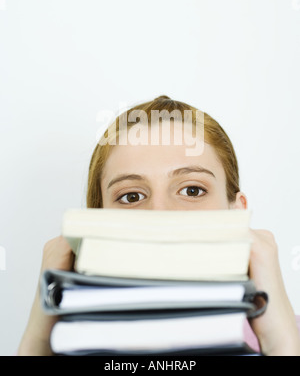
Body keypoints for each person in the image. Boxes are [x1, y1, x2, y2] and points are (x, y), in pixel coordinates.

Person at [17, 95, 300, 356]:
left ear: (238, 212)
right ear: (94, 223)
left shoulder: (290, 335)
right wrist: (38, 340)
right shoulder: (67, 340)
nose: (160, 214)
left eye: (192, 191)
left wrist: (281, 342)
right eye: (131, 196)